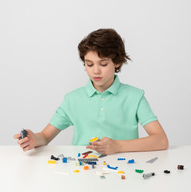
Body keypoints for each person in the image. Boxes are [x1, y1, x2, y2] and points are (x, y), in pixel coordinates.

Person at [14, 28, 169, 155]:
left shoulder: (135, 97)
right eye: (89, 64)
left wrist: (118, 146)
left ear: (117, 62)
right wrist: (34, 139)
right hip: (82, 171)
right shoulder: (72, 99)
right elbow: (46, 136)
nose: (96, 71)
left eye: (103, 64)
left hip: (125, 171)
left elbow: (161, 140)